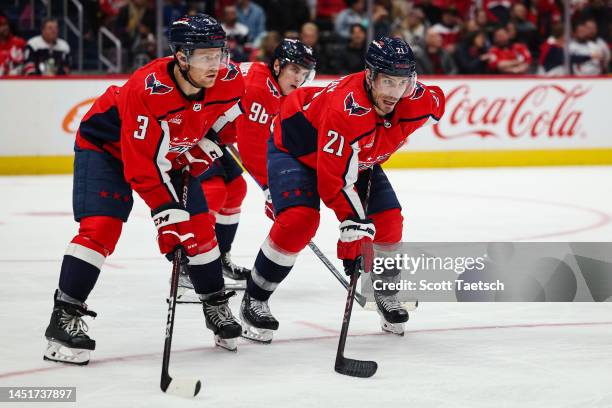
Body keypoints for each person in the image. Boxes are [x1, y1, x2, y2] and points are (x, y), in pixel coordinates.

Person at [43, 14, 245, 365]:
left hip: (167, 154)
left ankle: (215, 304)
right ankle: (64, 316)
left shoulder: (228, 80)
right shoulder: (146, 89)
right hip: (106, 148)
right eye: (204, 57)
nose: (215, 65)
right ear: (181, 57)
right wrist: (167, 217)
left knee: (200, 227)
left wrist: (204, 148)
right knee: (100, 229)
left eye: (219, 54)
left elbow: (226, 123)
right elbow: (142, 167)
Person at [239, 36, 445, 343]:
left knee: (389, 220)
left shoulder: (416, 100)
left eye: (402, 83)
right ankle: (254, 299)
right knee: (299, 221)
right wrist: (354, 227)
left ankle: (385, 293)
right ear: (370, 75)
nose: (394, 93)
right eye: (388, 82)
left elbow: (437, 99)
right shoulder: (345, 111)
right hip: (296, 150)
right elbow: (333, 182)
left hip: (354, 158)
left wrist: (360, 226)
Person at [178, 38, 316, 296]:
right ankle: (191, 267)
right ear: (277, 65)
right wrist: (270, 188)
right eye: (295, 70)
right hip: (191, 130)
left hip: (209, 132)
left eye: (305, 73)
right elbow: (251, 149)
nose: (300, 78)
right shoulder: (260, 88)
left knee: (235, 187)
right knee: (213, 189)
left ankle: (217, 259)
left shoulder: (267, 81)